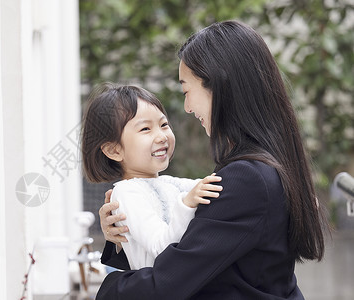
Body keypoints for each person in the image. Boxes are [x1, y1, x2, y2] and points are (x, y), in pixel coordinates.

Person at [96, 20, 328, 299]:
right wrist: (124, 234)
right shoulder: (267, 166)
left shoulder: (247, 178)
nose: (187, 107)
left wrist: (110, 288)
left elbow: (169, 280)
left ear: (219, 86)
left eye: (186, 91)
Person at [81, 83, 223, 270]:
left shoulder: (168, 183)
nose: (162, 136)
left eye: (163, 125)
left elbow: (218, 187)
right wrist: (187, 204)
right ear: (113, 150)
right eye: (145, 129)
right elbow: (161, 248)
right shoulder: (126, 192)